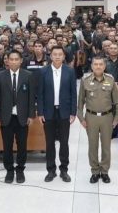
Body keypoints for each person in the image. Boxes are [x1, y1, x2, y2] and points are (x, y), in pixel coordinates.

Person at [0, 50, 35, 184]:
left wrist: (31, 115)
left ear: (21, 61)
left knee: (22, 145)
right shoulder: (0, 76)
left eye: (16, 59)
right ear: (7, 61)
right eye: (11, 59)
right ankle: (9, 170)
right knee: (7, 146)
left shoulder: (28, 75)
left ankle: (20, 169)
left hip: (22, 117)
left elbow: (31, 97)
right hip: (6, 117)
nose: (14, 62)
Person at [78, 55, 118, 183]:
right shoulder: (85, 80)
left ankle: (105, 171)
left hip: (107, 117)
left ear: (104, 66)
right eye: (95, 64)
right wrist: (81, 118)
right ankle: (95, 171)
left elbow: (117, 102)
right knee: (93, 146)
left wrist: (116, 119)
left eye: (100, 64)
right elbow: (80, 102)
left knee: (106, 146)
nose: (98, 66)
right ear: (92, 66)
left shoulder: (110, 80)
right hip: (91, 117)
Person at [37, 45, 77, 182]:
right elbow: (40, 94)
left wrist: (73, 112)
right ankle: (51, 170)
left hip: (64, 111)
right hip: (48, 112)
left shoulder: (69, 71)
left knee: (64, 142)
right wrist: (40, 112)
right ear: (51, 56)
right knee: (49, 143)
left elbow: (73, 93)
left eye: (60, 54)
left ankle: (64, 170)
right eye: (55, 54)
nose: (58, 56)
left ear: (64, 56)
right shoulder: (43, 71)